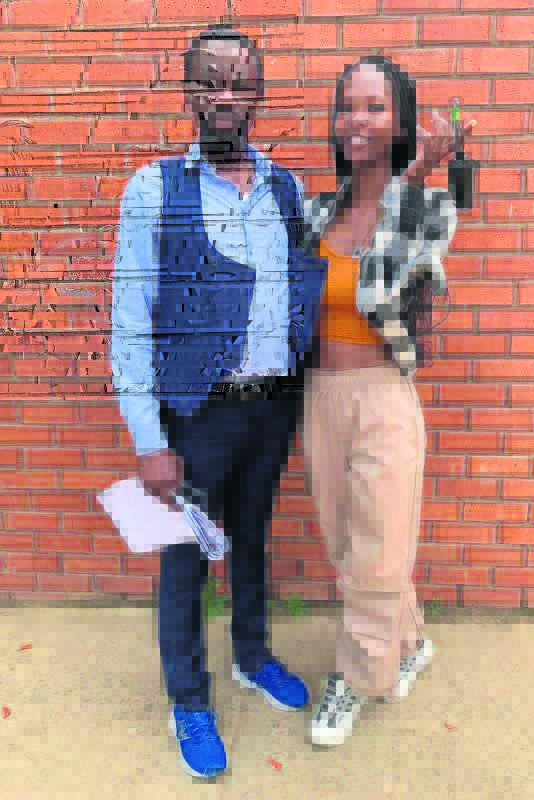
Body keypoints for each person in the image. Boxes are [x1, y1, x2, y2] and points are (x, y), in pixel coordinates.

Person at [111, 26, 327, 779]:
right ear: (189, 94)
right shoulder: (154, 188)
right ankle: (188, 698)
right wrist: (149, 439)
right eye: (210, 81)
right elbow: (129, 318)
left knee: (253, 539)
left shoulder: (285, 188)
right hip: (196, 413)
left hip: (270, 407)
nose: (225, 95)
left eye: (240, 81)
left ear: (259, 93)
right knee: (186, 559)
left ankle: (252, 655)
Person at [302, 55, 476, 746]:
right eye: (348, 106)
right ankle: (410, 641)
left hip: (382, 396)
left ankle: (355, 679)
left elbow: (391, 266)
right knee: (350, 546)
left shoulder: (428, 207)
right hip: (321, 396)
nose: (357, 119)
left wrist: (418, 172)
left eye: (374, 107)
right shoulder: (319, 211)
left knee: (376, 551)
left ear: (401, 121)